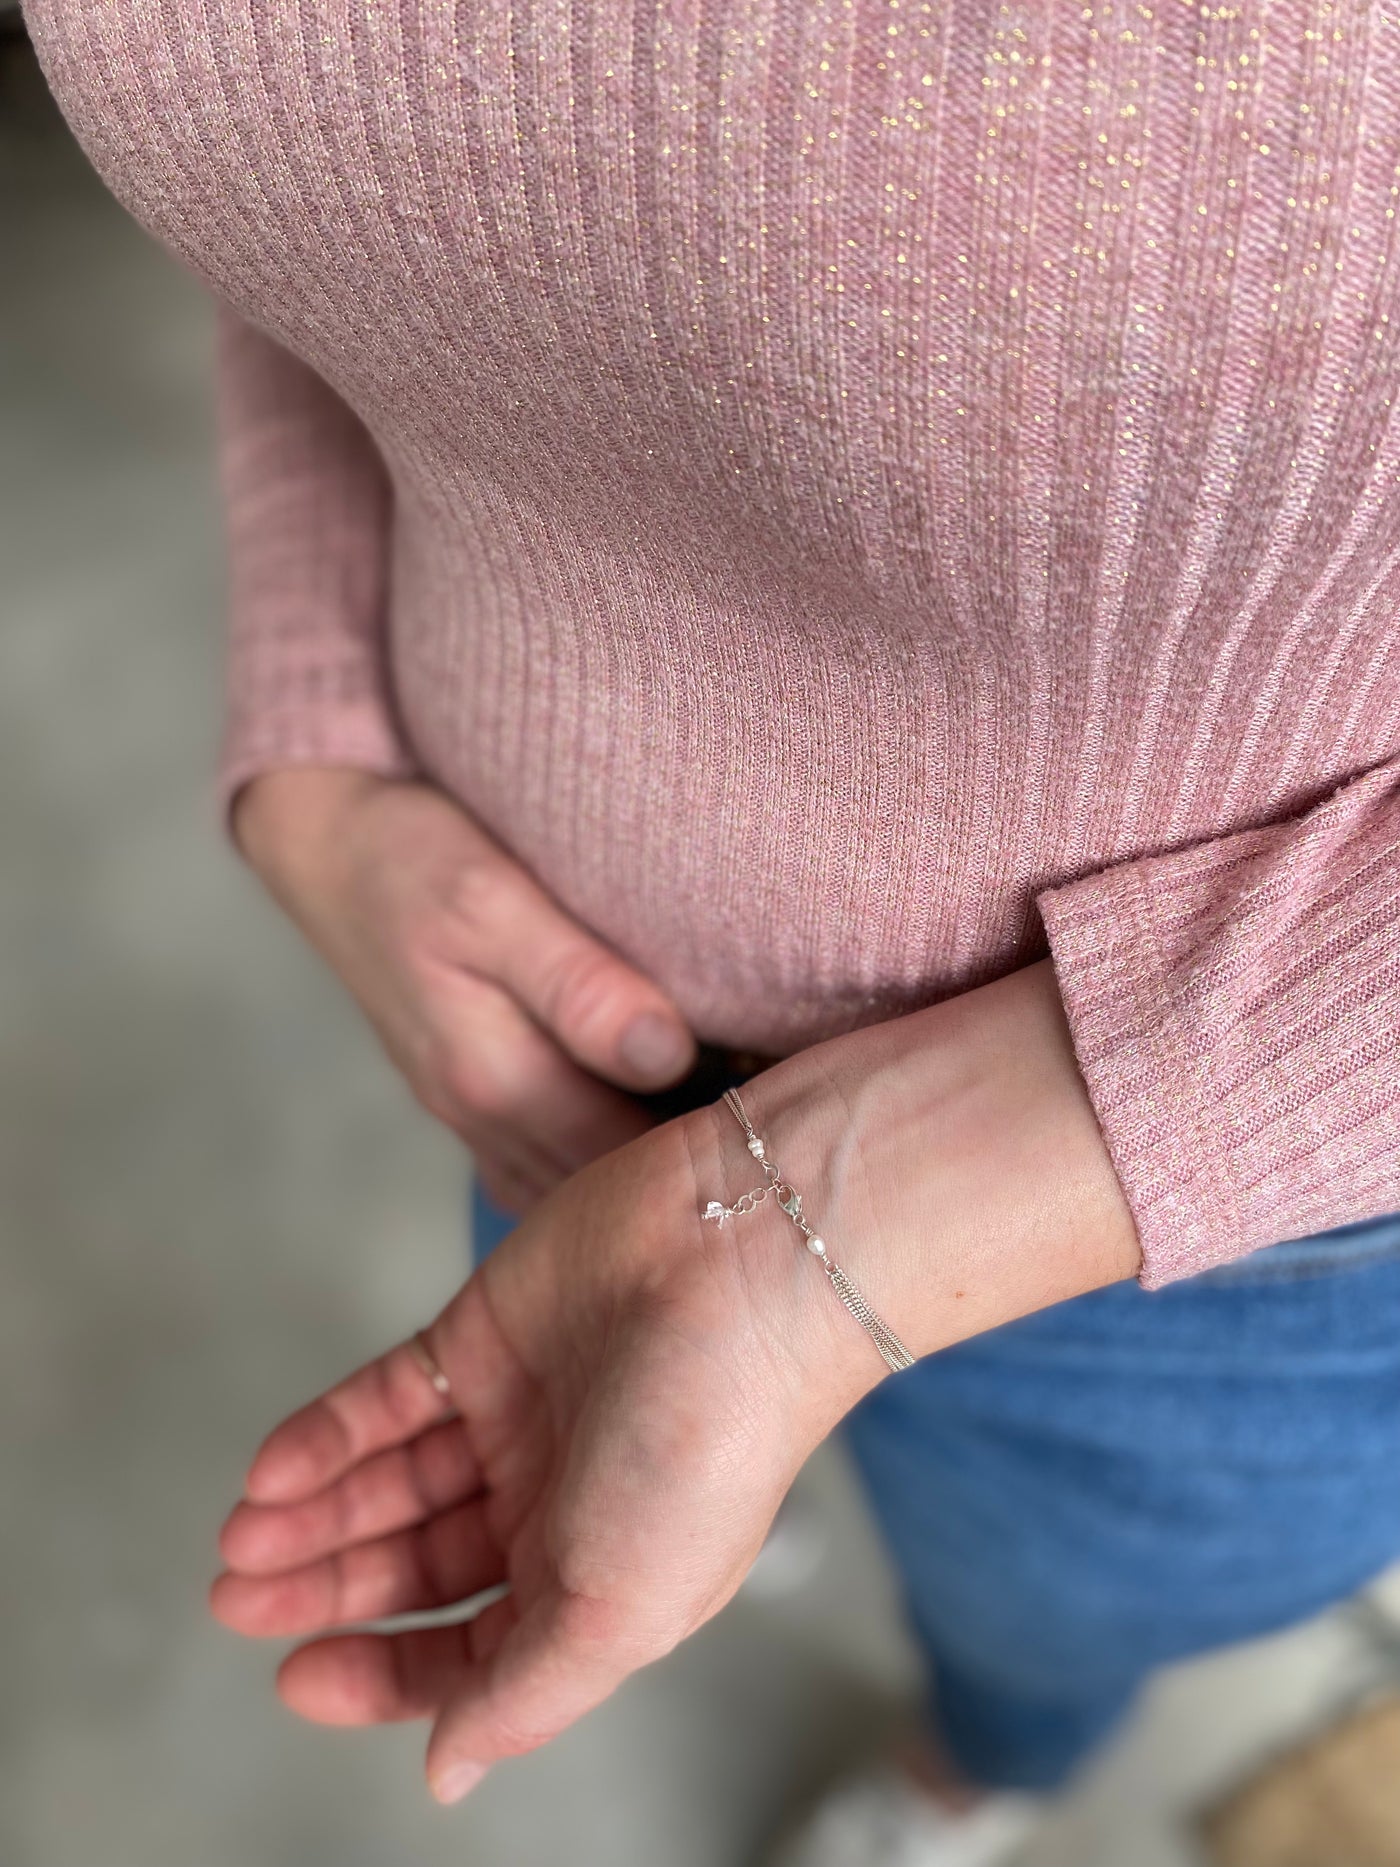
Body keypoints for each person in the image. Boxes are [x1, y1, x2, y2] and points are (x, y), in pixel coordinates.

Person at [24, 1, 1400, 1859]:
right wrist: (318, 732)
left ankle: (970, 1773)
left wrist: (835, 1218)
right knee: (616, 1463)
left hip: (1221, 1218)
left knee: (1034, 1638)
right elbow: (339, 198)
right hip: (552, 1041)